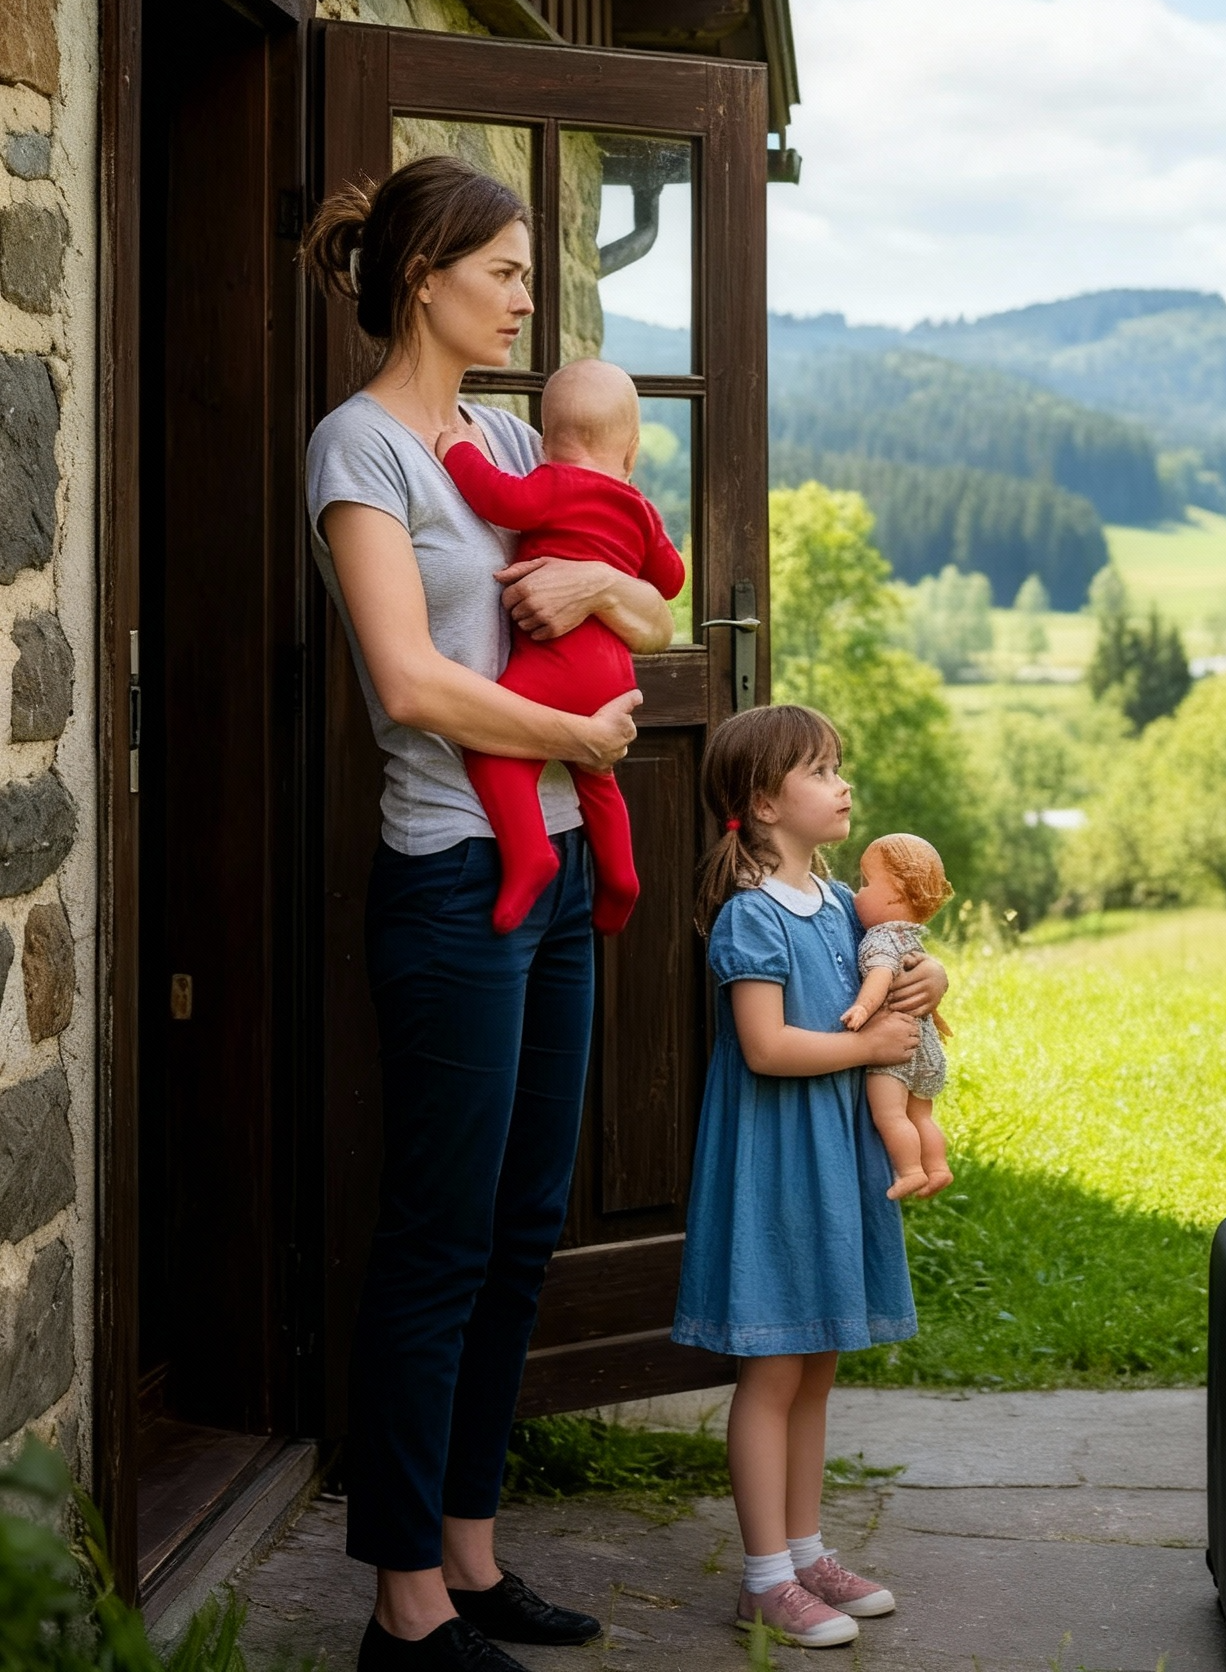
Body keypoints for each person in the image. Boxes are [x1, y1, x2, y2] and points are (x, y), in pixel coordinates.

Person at [303, 155, 675, 1672]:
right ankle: (401, 1604)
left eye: (528, 274)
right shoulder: (363, 450)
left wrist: (596, 597)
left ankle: (469, 1554)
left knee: (525, 1226)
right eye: (507, 270)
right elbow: (407, 682)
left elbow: (657, 598)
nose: (528, 296)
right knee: (444, 1235)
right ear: (425, 279)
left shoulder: (518, 436)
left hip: (567, 865)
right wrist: (579, 743)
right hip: (456, 876)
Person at [674, 705, 940, 1649]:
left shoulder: (835, 903)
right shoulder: (751, 916)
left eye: (839, 765)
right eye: (822, 771)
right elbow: (767, 1046)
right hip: (776, 1165)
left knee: (817, 1364)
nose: (844, 784)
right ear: (762, 802)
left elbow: (904, 955)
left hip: (831, 1158)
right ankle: (761, 1579)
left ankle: (805, 1550)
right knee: (775, 1369)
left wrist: (928, 984)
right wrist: (869, 1042)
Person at [435, 356, 686, 937]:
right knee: (596, 778)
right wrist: (638, 532)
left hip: (555, 667)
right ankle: (621, 877)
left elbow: (501, 500)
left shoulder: (550, 482)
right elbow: (670, 581)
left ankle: (529, 858)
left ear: (546, 443)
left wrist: (458, 452)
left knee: (492, 750)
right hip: (612, 677)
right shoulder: (639, 508)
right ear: (632, 451)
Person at [843, 832, 957, 1200]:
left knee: (891, 1116)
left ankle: (910, 1172)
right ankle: (937, 1168)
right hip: (926, 1049)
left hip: (895, 1051)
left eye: (864, 883)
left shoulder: (879, 938)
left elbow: (880, 976)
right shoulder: (911, 938)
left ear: (893, 894)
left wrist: (863, 1006)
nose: (856, 893)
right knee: (921, 1116)